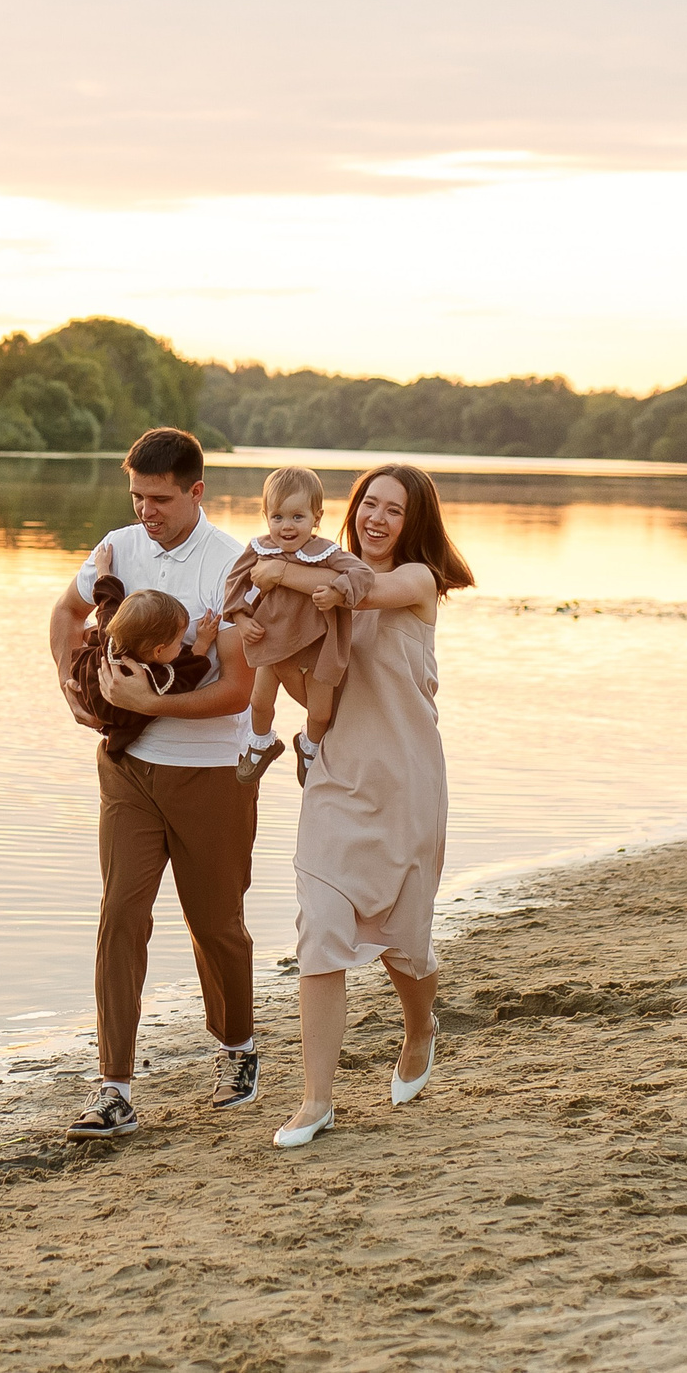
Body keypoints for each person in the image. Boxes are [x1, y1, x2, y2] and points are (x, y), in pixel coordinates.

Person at [236, 463, 473, 1149]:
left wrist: (279, 571)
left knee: (404, 943)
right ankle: (316, 1099)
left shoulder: (416, 584)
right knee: (323, 932)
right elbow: (305, 684)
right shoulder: (320, 577)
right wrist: (265, 644)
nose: (375, 517)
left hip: (405, 782)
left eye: (393, 510)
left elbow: (362, 593)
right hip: (337, 779)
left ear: (414, 523)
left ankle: (422, 1025)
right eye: (368, 503)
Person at [47, 427, 262, 1139]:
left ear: (197, 491)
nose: (146, 511)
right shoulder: (118, 546)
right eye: (137, 496)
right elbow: (66, 613)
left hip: (211, 775)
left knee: (216, 926)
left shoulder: (234, 564)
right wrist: (73, 689)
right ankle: (113, 1088)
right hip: (127, 770)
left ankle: (237, 1048)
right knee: (121, 915)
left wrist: (153, 702)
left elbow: (237, 688)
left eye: (161, 499)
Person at [221, 465, 373, 786]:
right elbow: (234, 581)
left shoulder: (326, 553)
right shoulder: (261, 548)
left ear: (316, 518)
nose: (286, 527)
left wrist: (336, 592)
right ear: (265, 515)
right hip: (272, 641)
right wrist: (241, 617)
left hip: (317, 646)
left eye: (297, 517)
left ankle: (309, 747)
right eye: (277, 517)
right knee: (259, 702)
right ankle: (261, 744)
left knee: (320, 713)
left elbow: (363, 575)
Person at [65, 580, 223, 758]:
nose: (182, 646)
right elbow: (183, 677)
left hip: (88, 673)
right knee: (134, 718)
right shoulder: (148, 678)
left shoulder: (111, 634)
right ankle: (114, 742)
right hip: (111, 708)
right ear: (158, 650)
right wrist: (202, 643)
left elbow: (108, 603)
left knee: (96, 640)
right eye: (179, 642)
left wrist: (103, 571)